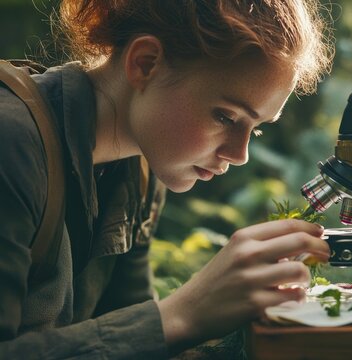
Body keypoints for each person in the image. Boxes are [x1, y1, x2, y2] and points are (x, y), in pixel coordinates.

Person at [0, 0, 334, 358]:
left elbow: (135, 339)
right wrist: (186, 312)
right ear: (145, 63)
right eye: (226, 117)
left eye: (257, 130)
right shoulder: (12, 143)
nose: (240, 155)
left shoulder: (139, 171)